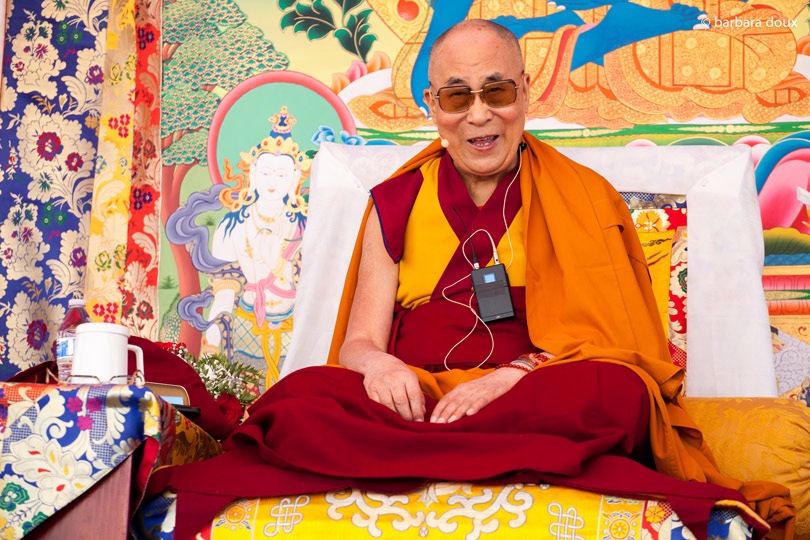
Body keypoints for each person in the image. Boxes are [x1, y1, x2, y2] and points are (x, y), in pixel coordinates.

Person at [147, 20, 794, 540]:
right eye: (458, 96)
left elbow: (622, 347)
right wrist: (378, 368)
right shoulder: (394, 200)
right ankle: (477, 451)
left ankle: (414, 456)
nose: (479, 115)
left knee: (616, 391)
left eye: (497, 91)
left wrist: (510, 380)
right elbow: (360, 340)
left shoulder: (584, 197)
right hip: (418, 399)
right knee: (301, 398)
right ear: (433, 104)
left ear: (524, 93)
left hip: (530, 393)